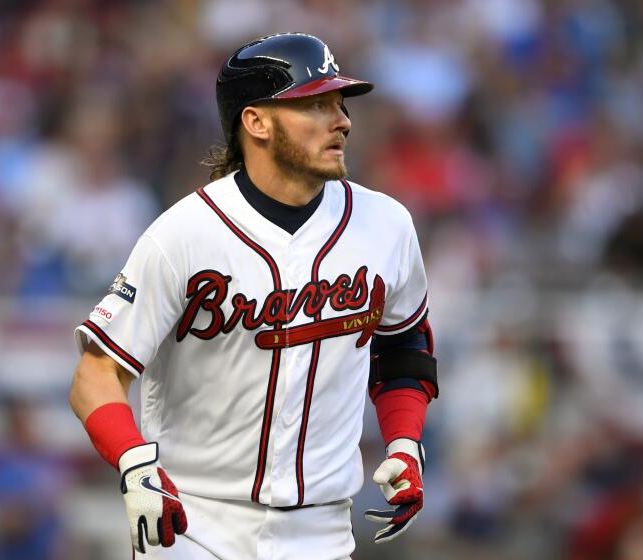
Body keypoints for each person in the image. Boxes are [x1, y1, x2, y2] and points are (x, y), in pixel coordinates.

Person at [69, 32, 439, 559]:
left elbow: (404, 349)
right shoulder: (184, 234)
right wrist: (133, 462)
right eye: (315, 104)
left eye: (339, 103)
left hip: (324, 532)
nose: (342, 121)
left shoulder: (387, 225)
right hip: (193, 525)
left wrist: (403, 439)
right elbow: (95, 375)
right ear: (256, 122)